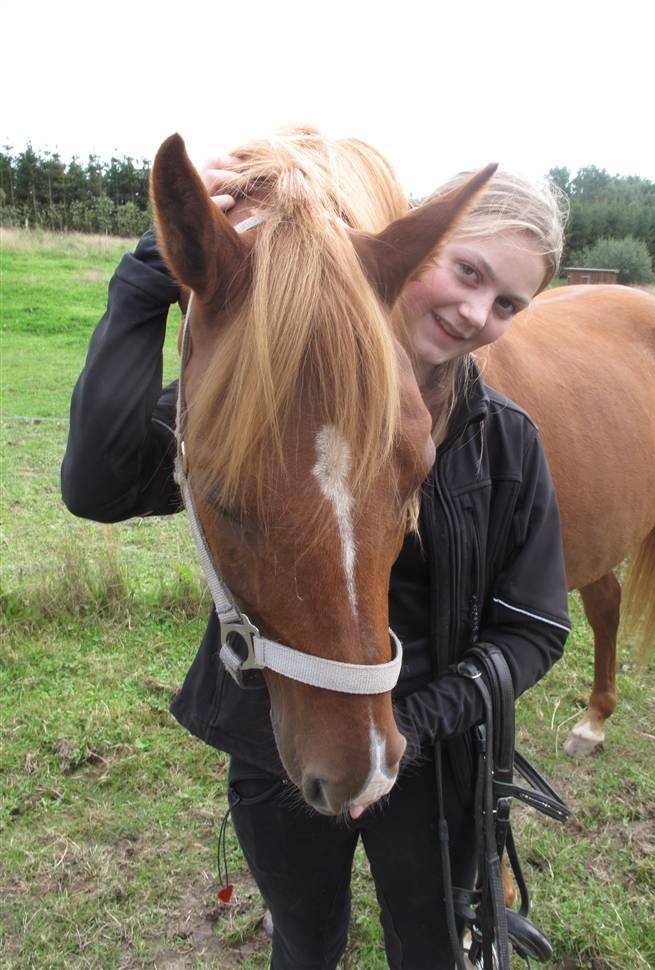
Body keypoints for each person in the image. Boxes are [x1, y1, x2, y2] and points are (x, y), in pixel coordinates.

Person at [61, 128, 570, 970]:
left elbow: (535, 626)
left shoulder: (504, 441)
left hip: (431, 762)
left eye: (510, 303)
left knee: (435, 946)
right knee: (302, 942)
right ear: (411, 247)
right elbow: (99, 484)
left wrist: (415, 717)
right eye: (468, 272)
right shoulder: (276, 387)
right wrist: (145, 279)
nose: (477, 313)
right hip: (275, 740)